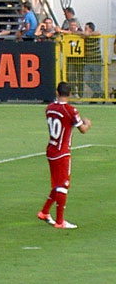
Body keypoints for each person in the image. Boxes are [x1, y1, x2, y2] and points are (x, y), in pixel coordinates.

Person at [37, 82, 91, 229]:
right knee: (63, 185)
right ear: (70, 94)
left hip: (51, 149)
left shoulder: (49, 108)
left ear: (56, 92)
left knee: (56, 183)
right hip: (62, 152)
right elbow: (83, 130)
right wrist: (87, 123)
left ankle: (44, 212)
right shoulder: (70, 110)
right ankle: (60, 222)